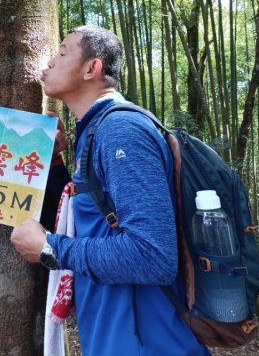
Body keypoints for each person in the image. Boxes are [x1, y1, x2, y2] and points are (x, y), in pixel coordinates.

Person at [11, 25, 211, 356]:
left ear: (92, 68)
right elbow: (96, 224)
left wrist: (51, 249)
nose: (48, 63)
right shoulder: (96, 132)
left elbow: (153, 256)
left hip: (150, 344)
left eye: (62, 54)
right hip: (117, 337)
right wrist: (56, 164)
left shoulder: (121, 131)